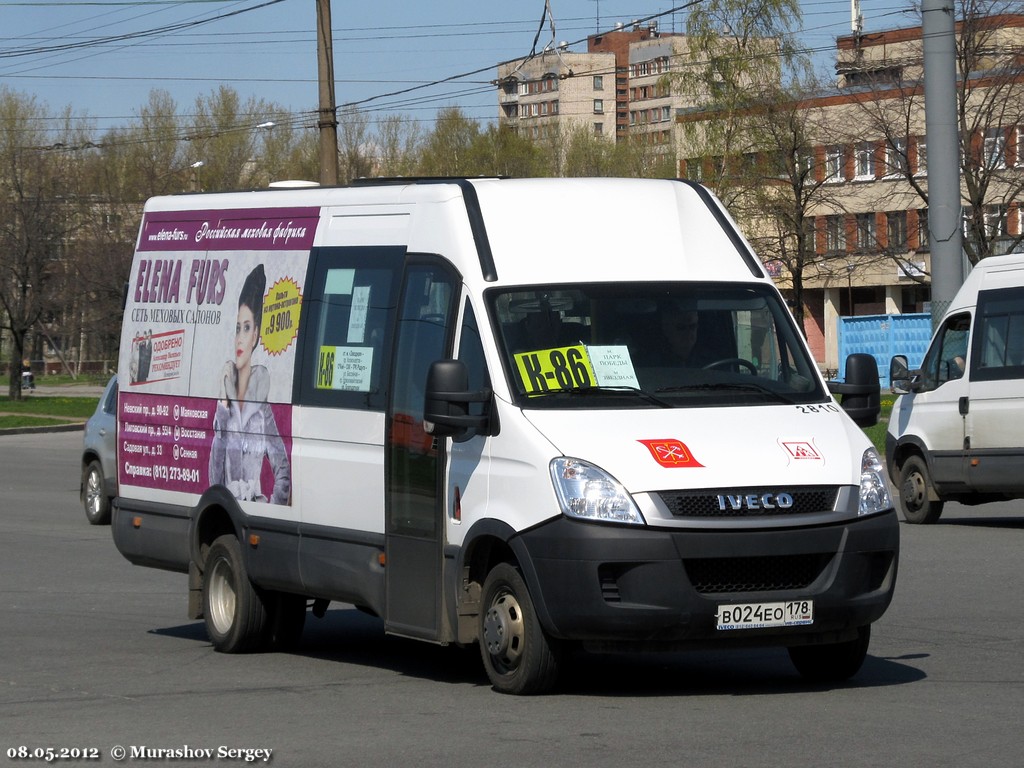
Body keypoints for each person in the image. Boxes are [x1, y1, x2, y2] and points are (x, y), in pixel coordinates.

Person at [209, 265, 291, 504]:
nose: (240, 338)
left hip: (256, 510)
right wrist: (223, 409)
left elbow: (283, 470)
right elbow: (214, 478)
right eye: (237, 329)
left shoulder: (263, 411)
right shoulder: (225, 406)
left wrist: (272, 505)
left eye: (246, 328)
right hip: (227, 508)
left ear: (255, 335)